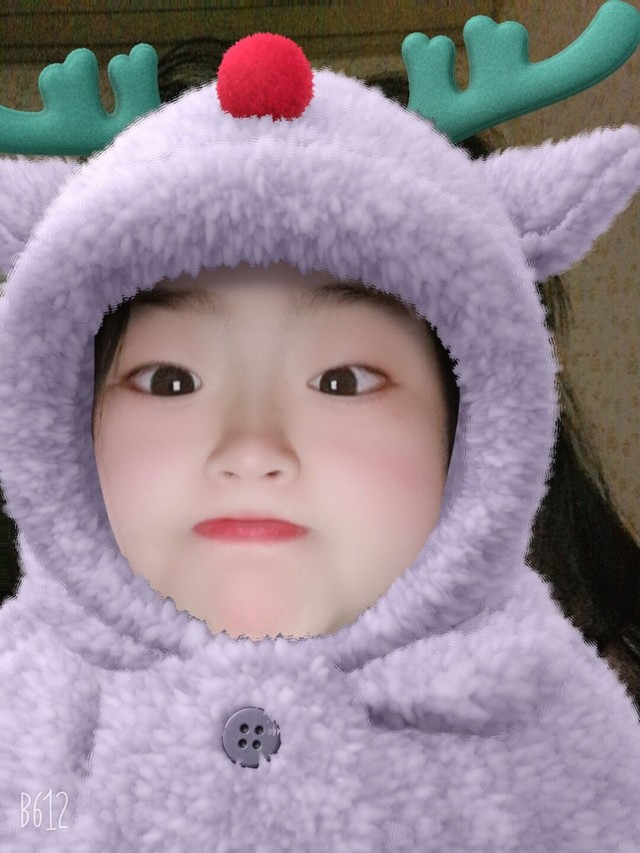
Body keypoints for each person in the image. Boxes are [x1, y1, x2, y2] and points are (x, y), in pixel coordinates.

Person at [1, 13, 640, 849]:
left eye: (342, 381)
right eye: (168, 380)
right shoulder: (36, 729)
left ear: (480, 425)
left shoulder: (582, 741)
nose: (252, 449)